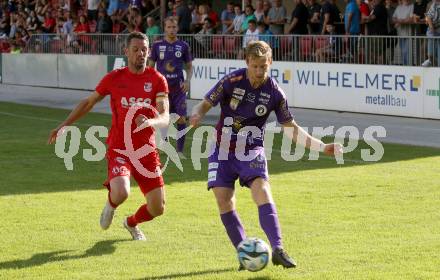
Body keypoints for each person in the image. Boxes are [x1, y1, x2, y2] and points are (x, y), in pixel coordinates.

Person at [190, 40, 343, 270]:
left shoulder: (274, 93)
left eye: (264, 66)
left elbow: (291, 128)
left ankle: (278, 249)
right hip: (221, 150)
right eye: (255, 66)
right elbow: (204, 104)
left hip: (251, 149)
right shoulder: (231, 81)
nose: (260, 72)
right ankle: (245, 252)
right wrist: (197, 114)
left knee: (262, 189)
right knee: (224, 199)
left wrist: (322, 147)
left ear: (270, 63)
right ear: (247, 63)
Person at [48, 32, 170, 241]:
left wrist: (151, 122)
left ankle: (131, 223)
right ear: (126, 52)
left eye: (144, 50)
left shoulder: (157, 79)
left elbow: (165, 115)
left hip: (146, 150)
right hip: (120, 147)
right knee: (122, 192)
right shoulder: (114, 78)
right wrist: (64, 124)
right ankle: (110, 205)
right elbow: (89, 102)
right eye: (136, 49)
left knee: (158, 208)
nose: (141, 53)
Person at [148, 17, 193, 159]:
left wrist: (187, 80)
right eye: (169, 27)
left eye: (174, 27)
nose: (172, 29)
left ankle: (179, 151)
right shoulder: (157, 45)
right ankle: (164, 146)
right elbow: (150, 66)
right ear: (164, 29)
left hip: (179, 89)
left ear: (177, 28)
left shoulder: (183, 46)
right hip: (162, 89)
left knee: (181, 119)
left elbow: (190, 67)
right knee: (164, 118)